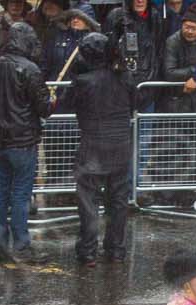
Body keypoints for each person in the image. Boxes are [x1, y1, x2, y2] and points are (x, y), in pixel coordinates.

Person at [62, 32, 133, 266]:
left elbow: (65, 103)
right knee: (118, 201)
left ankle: (88, 251)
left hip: (92, 145)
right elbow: (137, 100)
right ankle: (116, 250)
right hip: (120, 145)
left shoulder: (83, 81)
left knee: (88, 201)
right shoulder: (123, 77)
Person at [0, 19, 51, 264]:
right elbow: (44, 108)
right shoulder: (30, 69)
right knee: (21, 193)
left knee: (1, 190)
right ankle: (21, 244)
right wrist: (51, 99)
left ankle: (0, 242)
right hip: (22, 140)